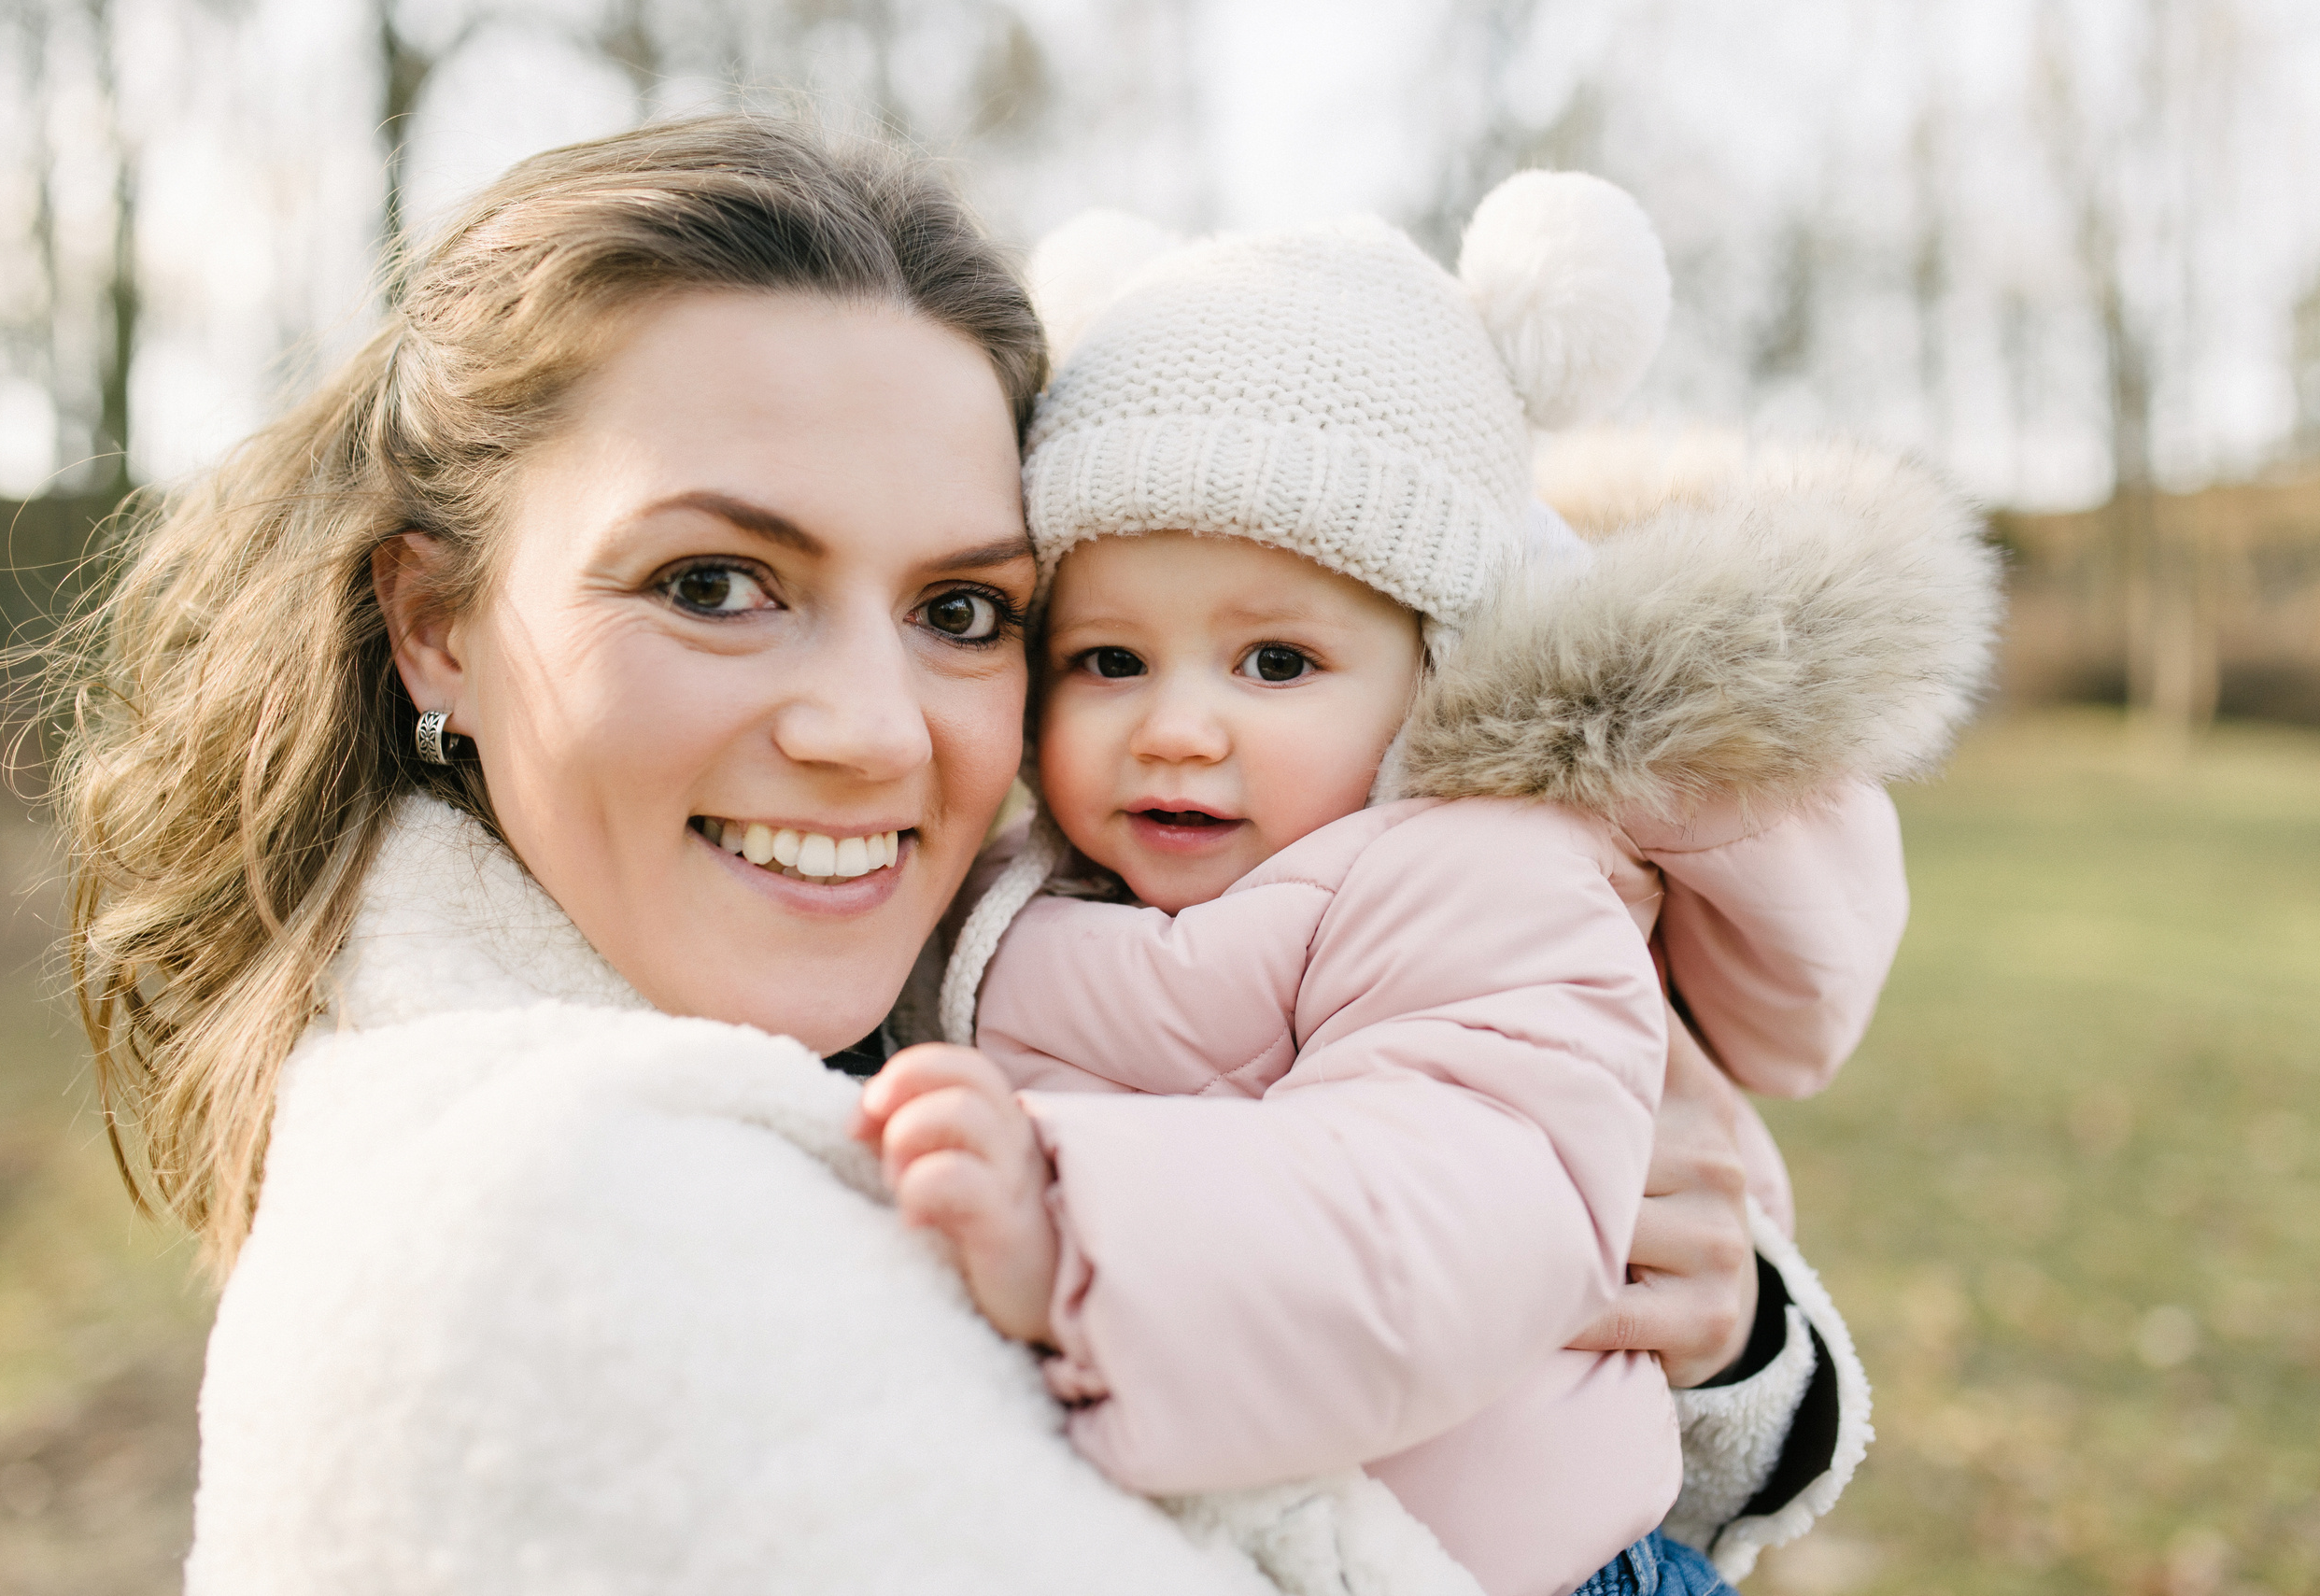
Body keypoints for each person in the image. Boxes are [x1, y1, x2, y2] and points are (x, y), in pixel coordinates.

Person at [20, 116, 1880, 1594]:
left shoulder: (923, 991)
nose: (873, 728)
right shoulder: (547, 1226)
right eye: (715, 584)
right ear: (434, 623)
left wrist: (1716, 1356)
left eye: (963, 611)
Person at [854, 186, 1998, 1594]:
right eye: (1109, 661)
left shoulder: (1486, 877)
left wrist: (1074, 1234)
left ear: (1431, 685)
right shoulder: (1023, 887)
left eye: (1275, 663)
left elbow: (1446, 1201)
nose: (1177, 726)